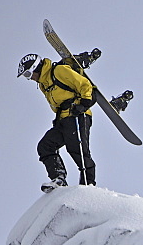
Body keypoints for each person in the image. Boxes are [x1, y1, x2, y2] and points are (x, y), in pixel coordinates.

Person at [18, 53, 96, 192]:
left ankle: (88, 188)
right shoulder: (44, 85)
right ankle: (59, 178)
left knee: (78, 152)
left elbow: (84, 84)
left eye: (28, 74)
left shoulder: (59, 71)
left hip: (76, 115)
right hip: (63, 120)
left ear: (35, 67)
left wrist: (84, 104)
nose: (29, 78)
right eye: (26, 76)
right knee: (45, 146)